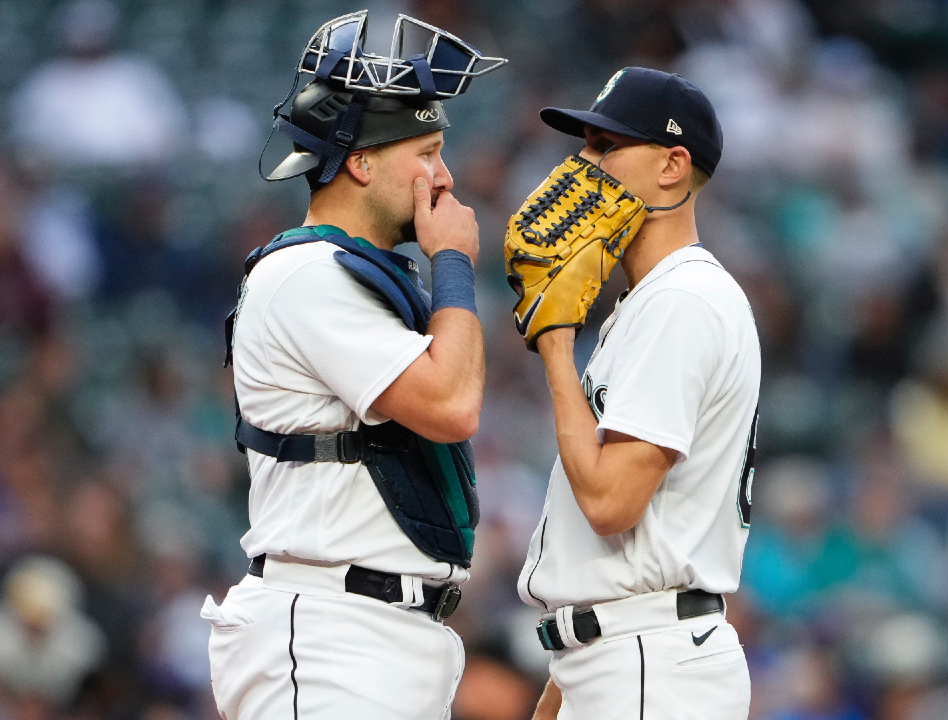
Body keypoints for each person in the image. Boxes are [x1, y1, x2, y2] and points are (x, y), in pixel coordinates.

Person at [200, 12, 504, 719]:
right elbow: (451, 404)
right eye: (426, 151)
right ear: (362, 160)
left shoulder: (355, 273)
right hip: (329, 631)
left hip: (372, 633)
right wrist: (454, 260)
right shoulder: (306, 273)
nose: (445, 175)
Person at [514, 67, 761, 719]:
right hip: (624, 656)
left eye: (606, 146)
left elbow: (611, 501)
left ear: (673, 166)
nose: (583, 164)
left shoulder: (680, 301)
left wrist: (557, 343)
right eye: (585, 145)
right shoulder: (653, 301)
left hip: (650, 663)